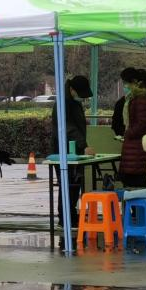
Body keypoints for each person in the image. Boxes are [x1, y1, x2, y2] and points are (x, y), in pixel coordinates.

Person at [51, 75, 95, 225]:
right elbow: (69, 128)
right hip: (63, 150)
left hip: (75, 150)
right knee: (67, 184)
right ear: (71, 89)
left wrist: (82, 146)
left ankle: (70, 214)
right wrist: (83, 145)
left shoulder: (73, 102)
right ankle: (65, 217)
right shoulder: (63, 104)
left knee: (74, 184)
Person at [118, 70, 146, 188]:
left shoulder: (141, 99)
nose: (126, 86)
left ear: (137, 82)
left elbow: (142, 123)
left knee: (135, 186)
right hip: (140, 149)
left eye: (128, 83)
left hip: (136, 151)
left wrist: (128, 133)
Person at [110, 68, 140, 138]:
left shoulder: (141, 101)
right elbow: (115, 123)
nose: (125, 86)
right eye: (124, 83)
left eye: (125, 82)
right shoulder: (121, 102)